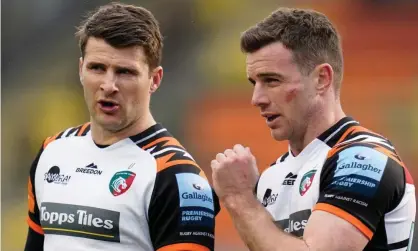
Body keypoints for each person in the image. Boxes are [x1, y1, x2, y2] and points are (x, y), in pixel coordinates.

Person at [211, 7, 416, 251]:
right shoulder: (272, 176)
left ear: (321, 79)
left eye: (272, 81)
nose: (257, 98)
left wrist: (239, 198)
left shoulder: (365, 160)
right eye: (254, 83)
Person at [24, 3, 219, 251]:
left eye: (125, 72)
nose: (108, 85)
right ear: (81, 69)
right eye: (97, 68)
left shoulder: (176, 177)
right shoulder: (52, 151)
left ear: (154, 79)